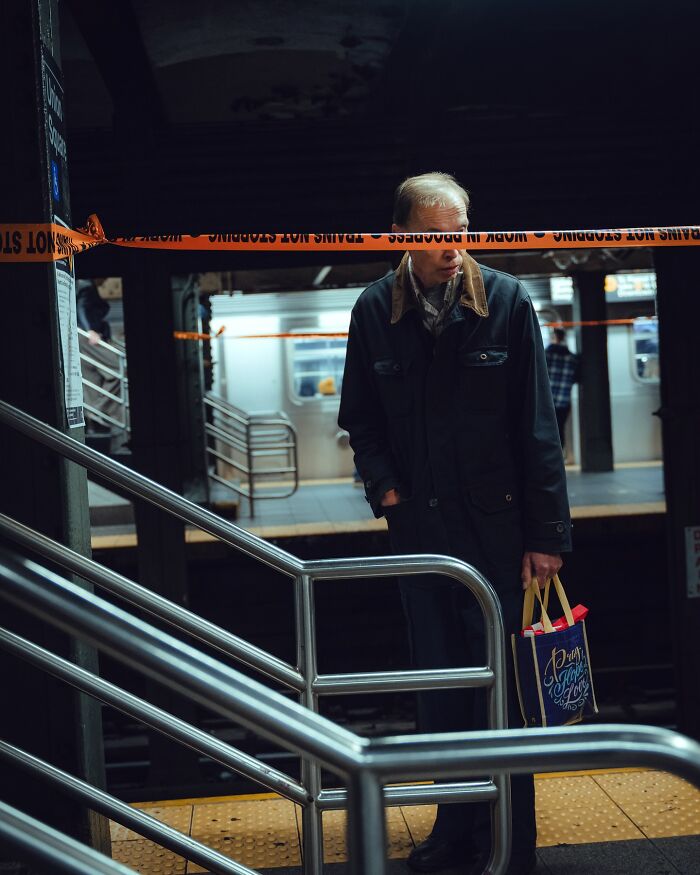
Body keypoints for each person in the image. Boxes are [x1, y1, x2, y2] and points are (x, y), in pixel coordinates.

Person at [338, 172, 571, 875]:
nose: (453, 249)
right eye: (437, 237)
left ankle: (511, 835)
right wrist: (387, 492)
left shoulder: (505, 300)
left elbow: (538, 425)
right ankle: (453, 829)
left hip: (500, 535)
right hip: (420, 537)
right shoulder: (375, 309)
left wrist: (548, 537)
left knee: (504, 689)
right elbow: (361, 417)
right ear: (403, 237)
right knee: (441, 685)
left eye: (461, 233)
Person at [76, 278, 123, 433]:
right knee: (118, 368)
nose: (106, 279)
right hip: (87, 337)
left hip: (84, 337)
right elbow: (81, 307)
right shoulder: (86, 285)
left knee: (92, 379)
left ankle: (96, 422)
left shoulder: (86, 285)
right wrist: (89, 330)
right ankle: (96, 411)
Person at [544, 327, 580, 452]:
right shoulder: (572, 359)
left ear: (554, 338)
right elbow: (577, 378)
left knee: (545, 430)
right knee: (559, 430)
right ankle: (560, 454)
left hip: (546, 402)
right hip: (563, 403)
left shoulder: (546, 355)